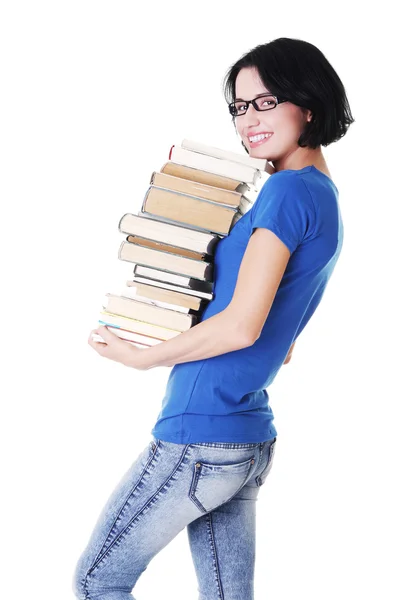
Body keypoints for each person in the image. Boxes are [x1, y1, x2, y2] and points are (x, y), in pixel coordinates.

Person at [73, 37, 354, 600]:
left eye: (267, 101)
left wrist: (140, 357)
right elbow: (283, 338)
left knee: (97, 580)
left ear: (309, 105)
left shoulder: (286, 192)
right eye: (240, 106)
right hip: (246, 437)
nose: (249, 120)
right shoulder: (322, 197)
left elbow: (242, 326)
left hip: (199, 435)